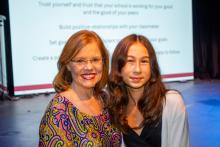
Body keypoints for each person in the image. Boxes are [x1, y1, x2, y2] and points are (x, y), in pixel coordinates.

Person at [39, 30, 122, 147]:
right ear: (68, 64)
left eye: (95, 60)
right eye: (80, 61)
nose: (89, 67)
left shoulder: (105, 99)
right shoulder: (58, 111)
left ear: (103, 62)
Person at [107, 34, 189, 147]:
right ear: (119, 67)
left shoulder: (172, 103)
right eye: (130, 61)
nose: (137, 69)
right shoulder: (113, 106)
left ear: (152, 67)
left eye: (144, 61)